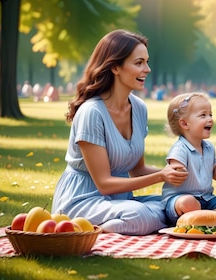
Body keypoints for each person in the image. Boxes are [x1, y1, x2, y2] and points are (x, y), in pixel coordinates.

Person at [51, 30, 189, 235]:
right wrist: (161, 176)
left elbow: (138, 169)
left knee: (179, 204)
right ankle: (95, 232)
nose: (147, 69)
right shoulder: (92, 112)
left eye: (147, 62)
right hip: (82, 200)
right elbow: (104, 184)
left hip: (121, 201)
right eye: (139, 62)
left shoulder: (139, 108)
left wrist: (181, 173)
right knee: (141, 215)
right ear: (115, 66)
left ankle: (119, 227)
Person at [161, 92, 216, 226]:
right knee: (188, 202)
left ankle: (207, 219)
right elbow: (174, 174)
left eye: (210, 114)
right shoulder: (180, 149)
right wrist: (179, 170)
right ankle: (210, 219)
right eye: (203, 115)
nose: (210, 119)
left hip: (207, 200)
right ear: (184, 124)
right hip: (180, 201)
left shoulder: (209, 148)